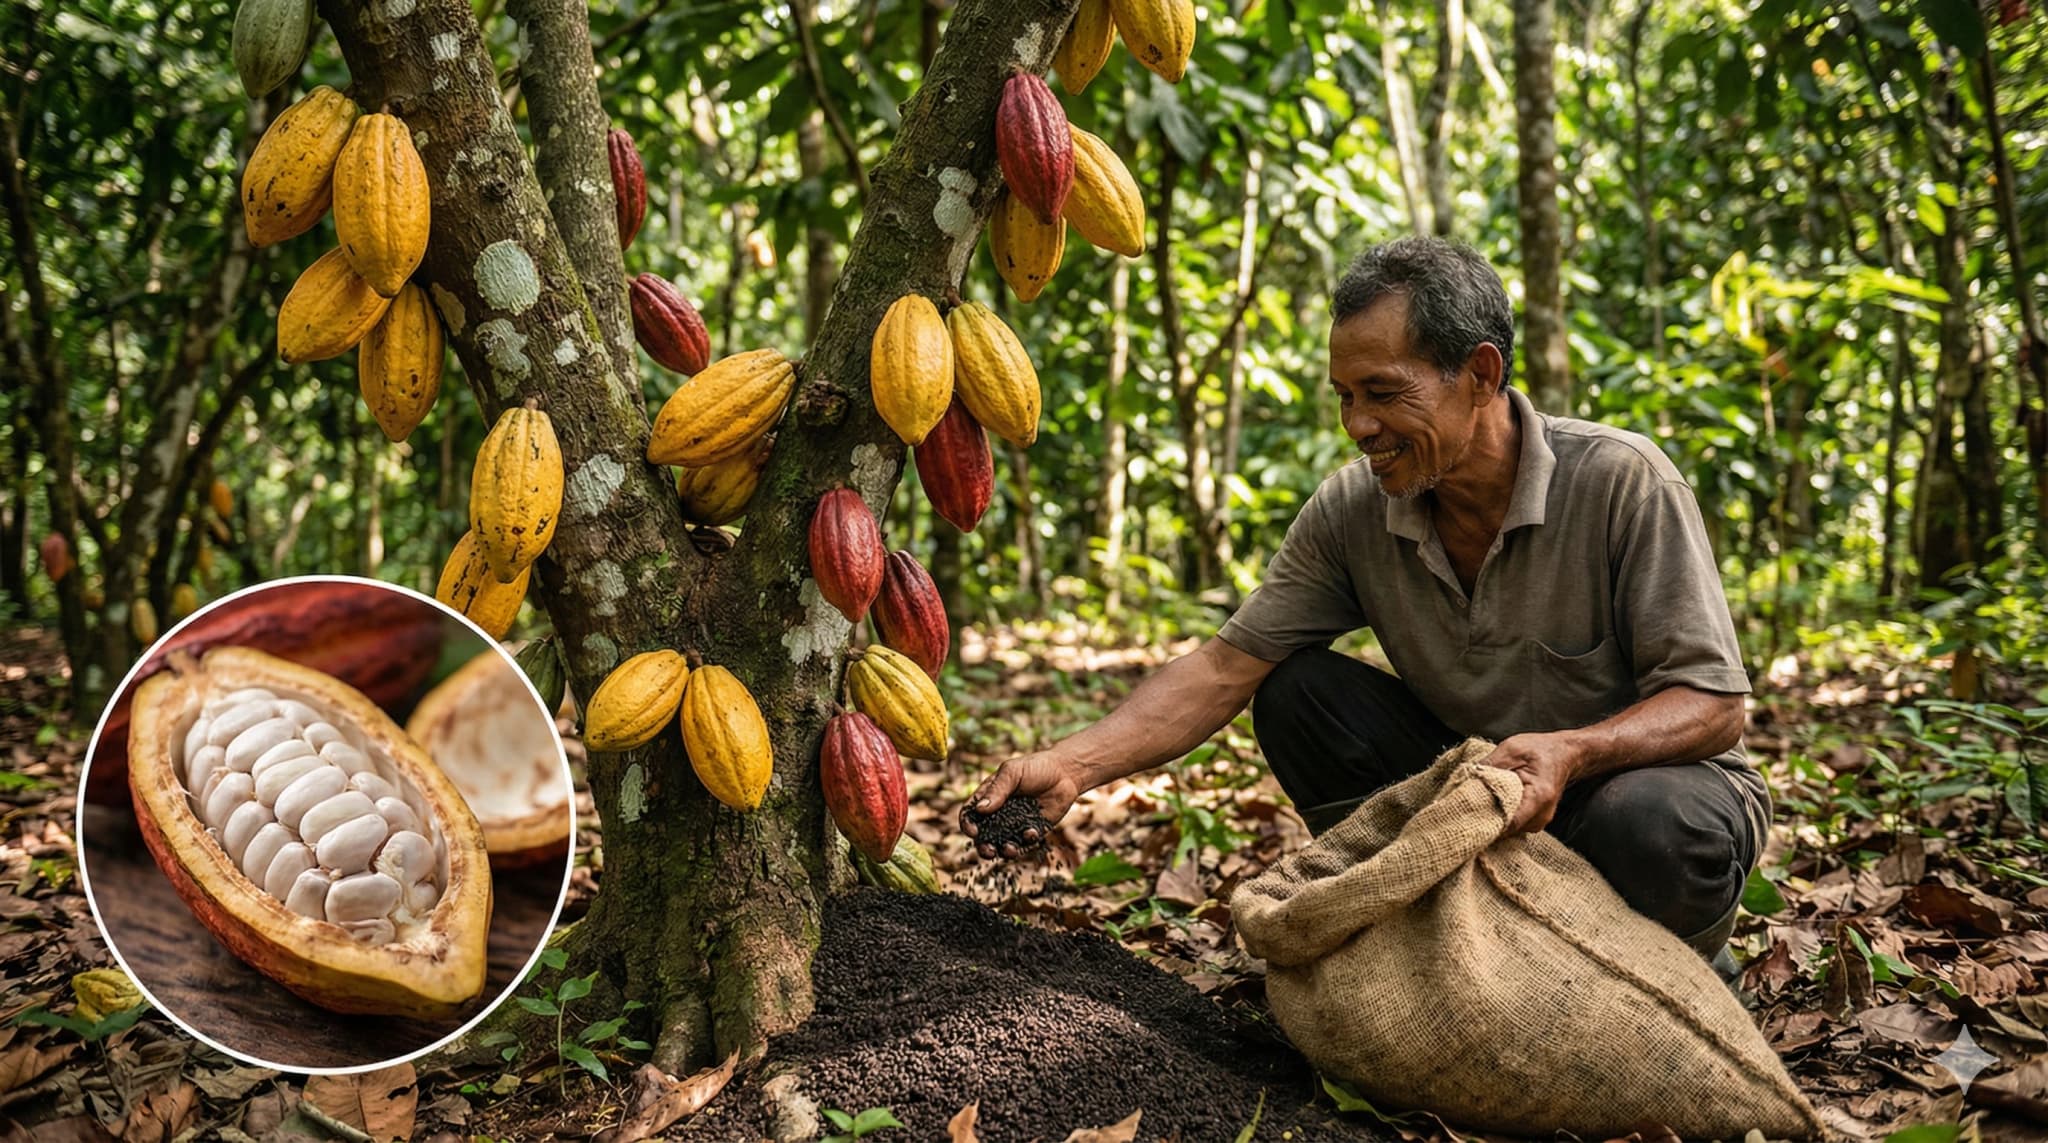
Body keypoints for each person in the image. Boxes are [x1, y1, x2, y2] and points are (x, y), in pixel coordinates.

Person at [962, 236, 1768, 972]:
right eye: (1345, 395)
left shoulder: (1622, 480)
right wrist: (1071, 764)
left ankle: (1680, 969)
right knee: (1297, 691)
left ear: (1481, 375)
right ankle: (1443, 939)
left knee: (1653, 822)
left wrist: (1573, 751)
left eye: (1383, 392)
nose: (1358, 425)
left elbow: (1714, 705)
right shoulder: (1355, 509)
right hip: (1477, 795)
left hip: (1623, 790)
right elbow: (1222, 668)